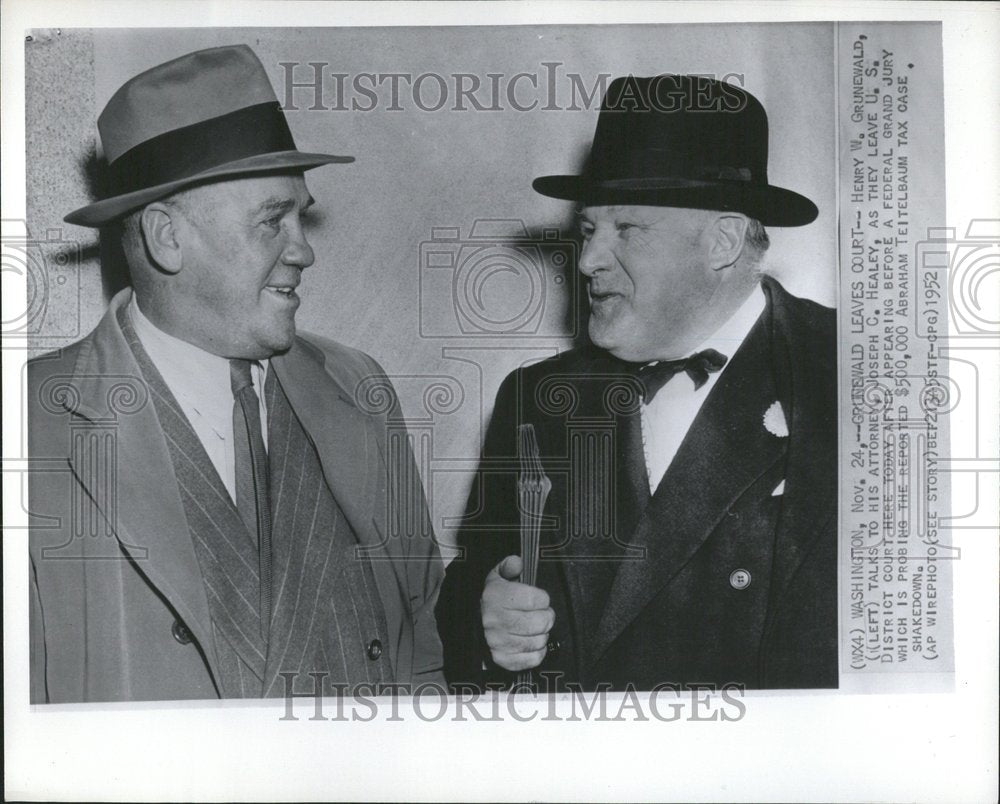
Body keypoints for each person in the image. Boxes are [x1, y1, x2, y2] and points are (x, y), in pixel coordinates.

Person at [28, 45, 444, 703]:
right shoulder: (27, 429)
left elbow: (423, 645)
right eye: (271, 221)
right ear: (167, 238)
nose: (303, 249)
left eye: (300, 216)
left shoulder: (360, 389)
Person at [437, 74, 837, 691]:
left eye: (627, 230)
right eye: (589, 229)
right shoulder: (536, 400)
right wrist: (486, 626)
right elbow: (467, 597)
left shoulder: (858, 376)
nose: (590, 259)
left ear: (724, 241)